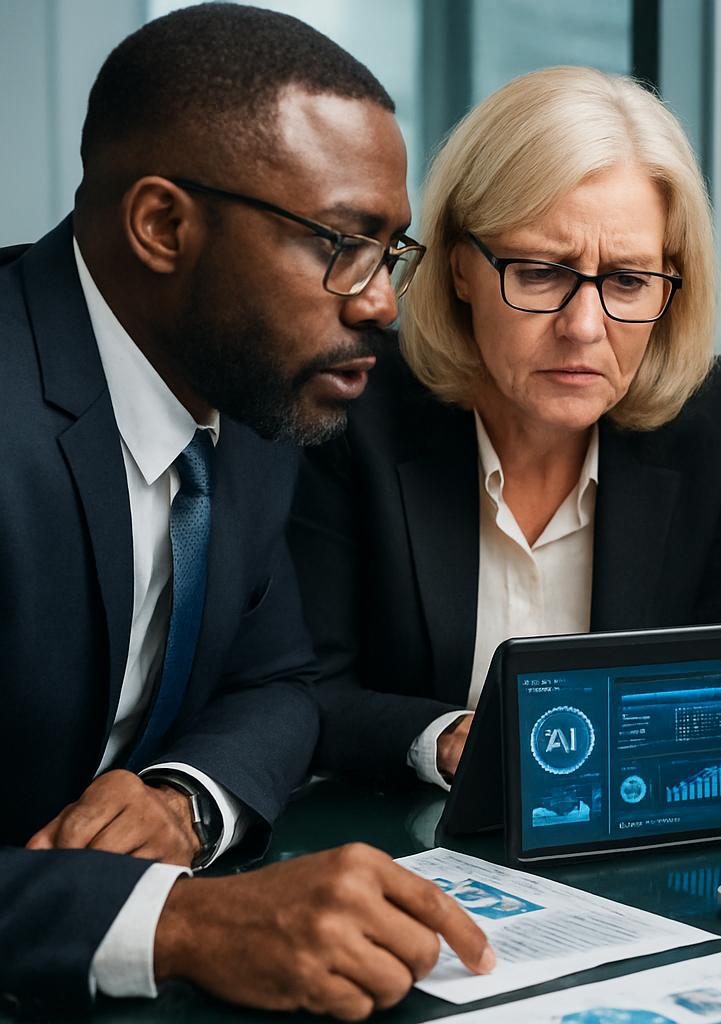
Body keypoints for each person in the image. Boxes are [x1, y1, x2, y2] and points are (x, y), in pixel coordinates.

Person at [0, 6, 492, 1017]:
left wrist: (184, 804)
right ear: (164, 225)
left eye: (390, 251)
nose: (380, 305)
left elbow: (277, 681)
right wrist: (180, 922)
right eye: (343, 243)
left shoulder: (254, 394)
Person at [288, 66, 721, 787]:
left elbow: (714, 705)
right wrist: (446, 740)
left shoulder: (712, 419)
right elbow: (301, 691)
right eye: (542, 272)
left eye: (629, 282)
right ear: (458, 270)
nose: (584, 328)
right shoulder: (357, 405)